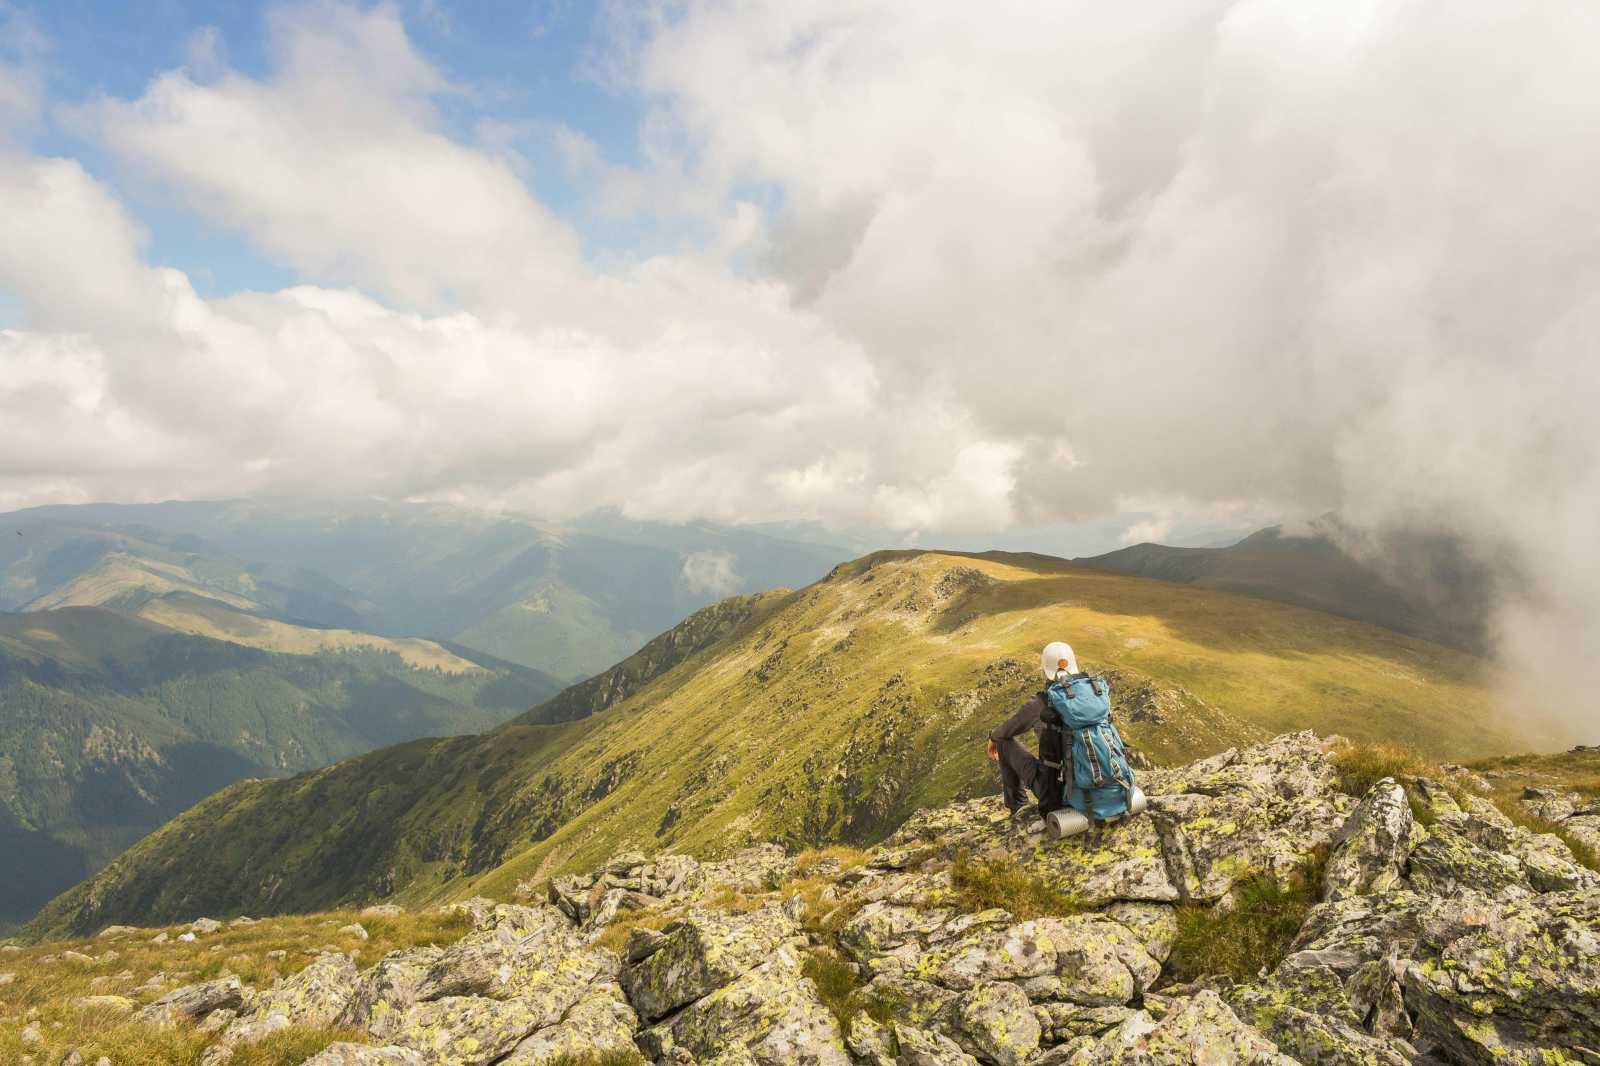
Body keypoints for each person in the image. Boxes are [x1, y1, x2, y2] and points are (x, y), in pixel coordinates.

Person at [987, 640, 1079, 823]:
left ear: (1045, 670)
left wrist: (992, 738)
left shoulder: (1042, 703)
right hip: (1100, 786)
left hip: (1057, 793)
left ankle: (1018, 806)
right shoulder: (1095, 694)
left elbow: (1008, 729)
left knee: (1003, 743)